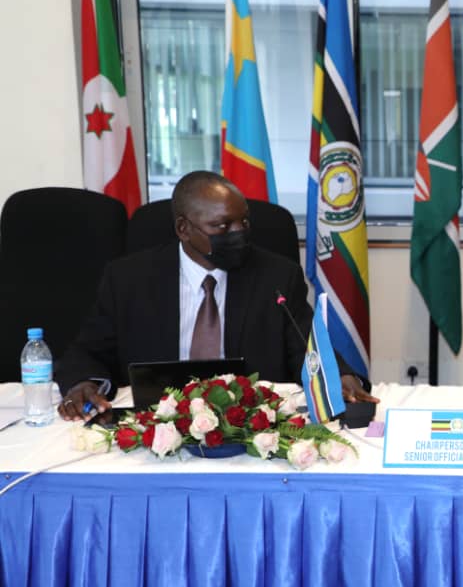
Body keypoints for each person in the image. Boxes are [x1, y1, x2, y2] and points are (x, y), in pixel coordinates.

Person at [57, 171, 376, 420]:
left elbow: (307, 347)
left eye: (244, 222)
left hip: (249, 425)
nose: (238, 233)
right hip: (155, 424)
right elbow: (88, 350)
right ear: (183, 229)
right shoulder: (129, 279)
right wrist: (83, 383)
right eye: (222, 227)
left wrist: (342, 376)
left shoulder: (276, 276)